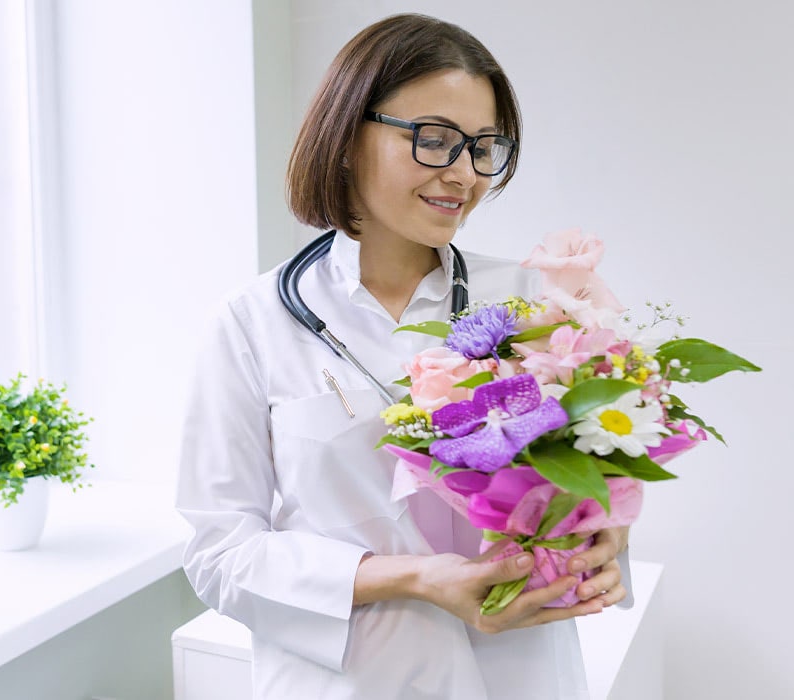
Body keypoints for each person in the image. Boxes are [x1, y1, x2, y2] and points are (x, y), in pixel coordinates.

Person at [177, 13, 631, 699]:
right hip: (354, 680)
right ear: (346, 137)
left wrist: (604, 538)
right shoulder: (253, 322)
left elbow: (597, 474)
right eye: (435, 140)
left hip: (522, 672)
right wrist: (419, 578)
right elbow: (219, 554)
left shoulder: (533, 300)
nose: (464, 174)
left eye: (484, 147)